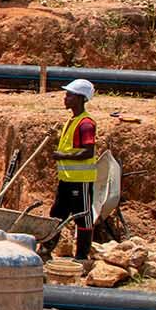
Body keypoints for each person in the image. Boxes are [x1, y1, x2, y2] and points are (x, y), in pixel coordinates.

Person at [51, 79, 98, 259]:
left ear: (80, 98)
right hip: (66, 179)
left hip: (81, 180)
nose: (65, 98)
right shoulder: (72, 121)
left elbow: (88, 152)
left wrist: (62, 156)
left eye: (69, 95)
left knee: (83, 217)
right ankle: (47, 248)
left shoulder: (86, 124)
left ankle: (82, 256)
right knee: (56, 215)